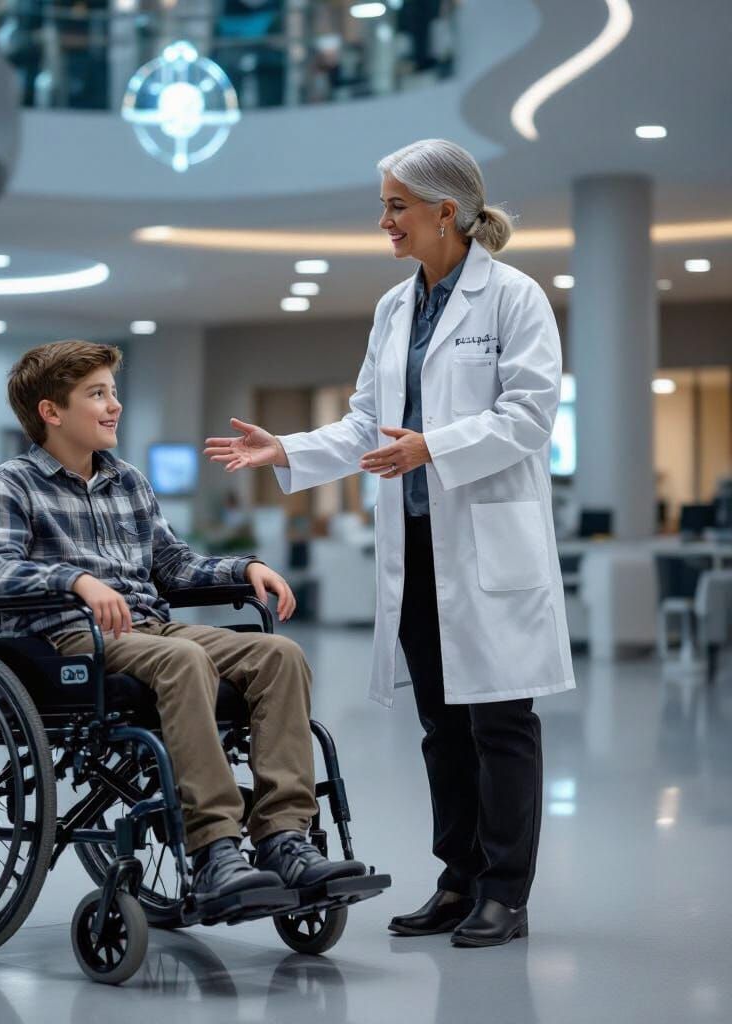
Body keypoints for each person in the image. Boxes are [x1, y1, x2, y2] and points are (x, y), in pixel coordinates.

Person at [204, 138, 575, 947]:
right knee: (442, 724)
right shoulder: (393, 309)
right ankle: (459, 879)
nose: (385, 222)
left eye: (397, 206)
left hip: (486, 548)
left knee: (500, 725)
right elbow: (368, 426)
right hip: (417, 550)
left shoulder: (515, 297)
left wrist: (433, 445)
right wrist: (289, 449)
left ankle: (505, 893)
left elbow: (531, 416)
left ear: (448, 212)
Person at [0, 340, 367, 903]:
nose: (114, 406)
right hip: (67, 638)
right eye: (97, 394)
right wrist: (74, 580)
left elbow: (172, 564)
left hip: (149, 627)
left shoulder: (127, 480)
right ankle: (214, 848)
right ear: (50, 412)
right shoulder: (14, 483)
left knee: (280, 656)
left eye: (113, 392)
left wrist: (244, 566)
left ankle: (283, 836)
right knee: (185, 660)